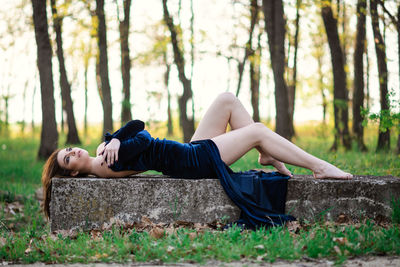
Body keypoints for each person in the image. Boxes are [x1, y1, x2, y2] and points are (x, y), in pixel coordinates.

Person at [42, 92, 352, 228]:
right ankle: (318, 166)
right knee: (257, 130)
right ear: (71, 174)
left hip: (188, 152)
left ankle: (267, 154)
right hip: (194, 161)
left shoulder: (103, 152)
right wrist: (117, 140)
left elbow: (136, 125)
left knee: (227, 100)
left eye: (69, 149)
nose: (74, 152)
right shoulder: (105, 162)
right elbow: (145, 135)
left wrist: (114, 138)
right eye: (68, 160)